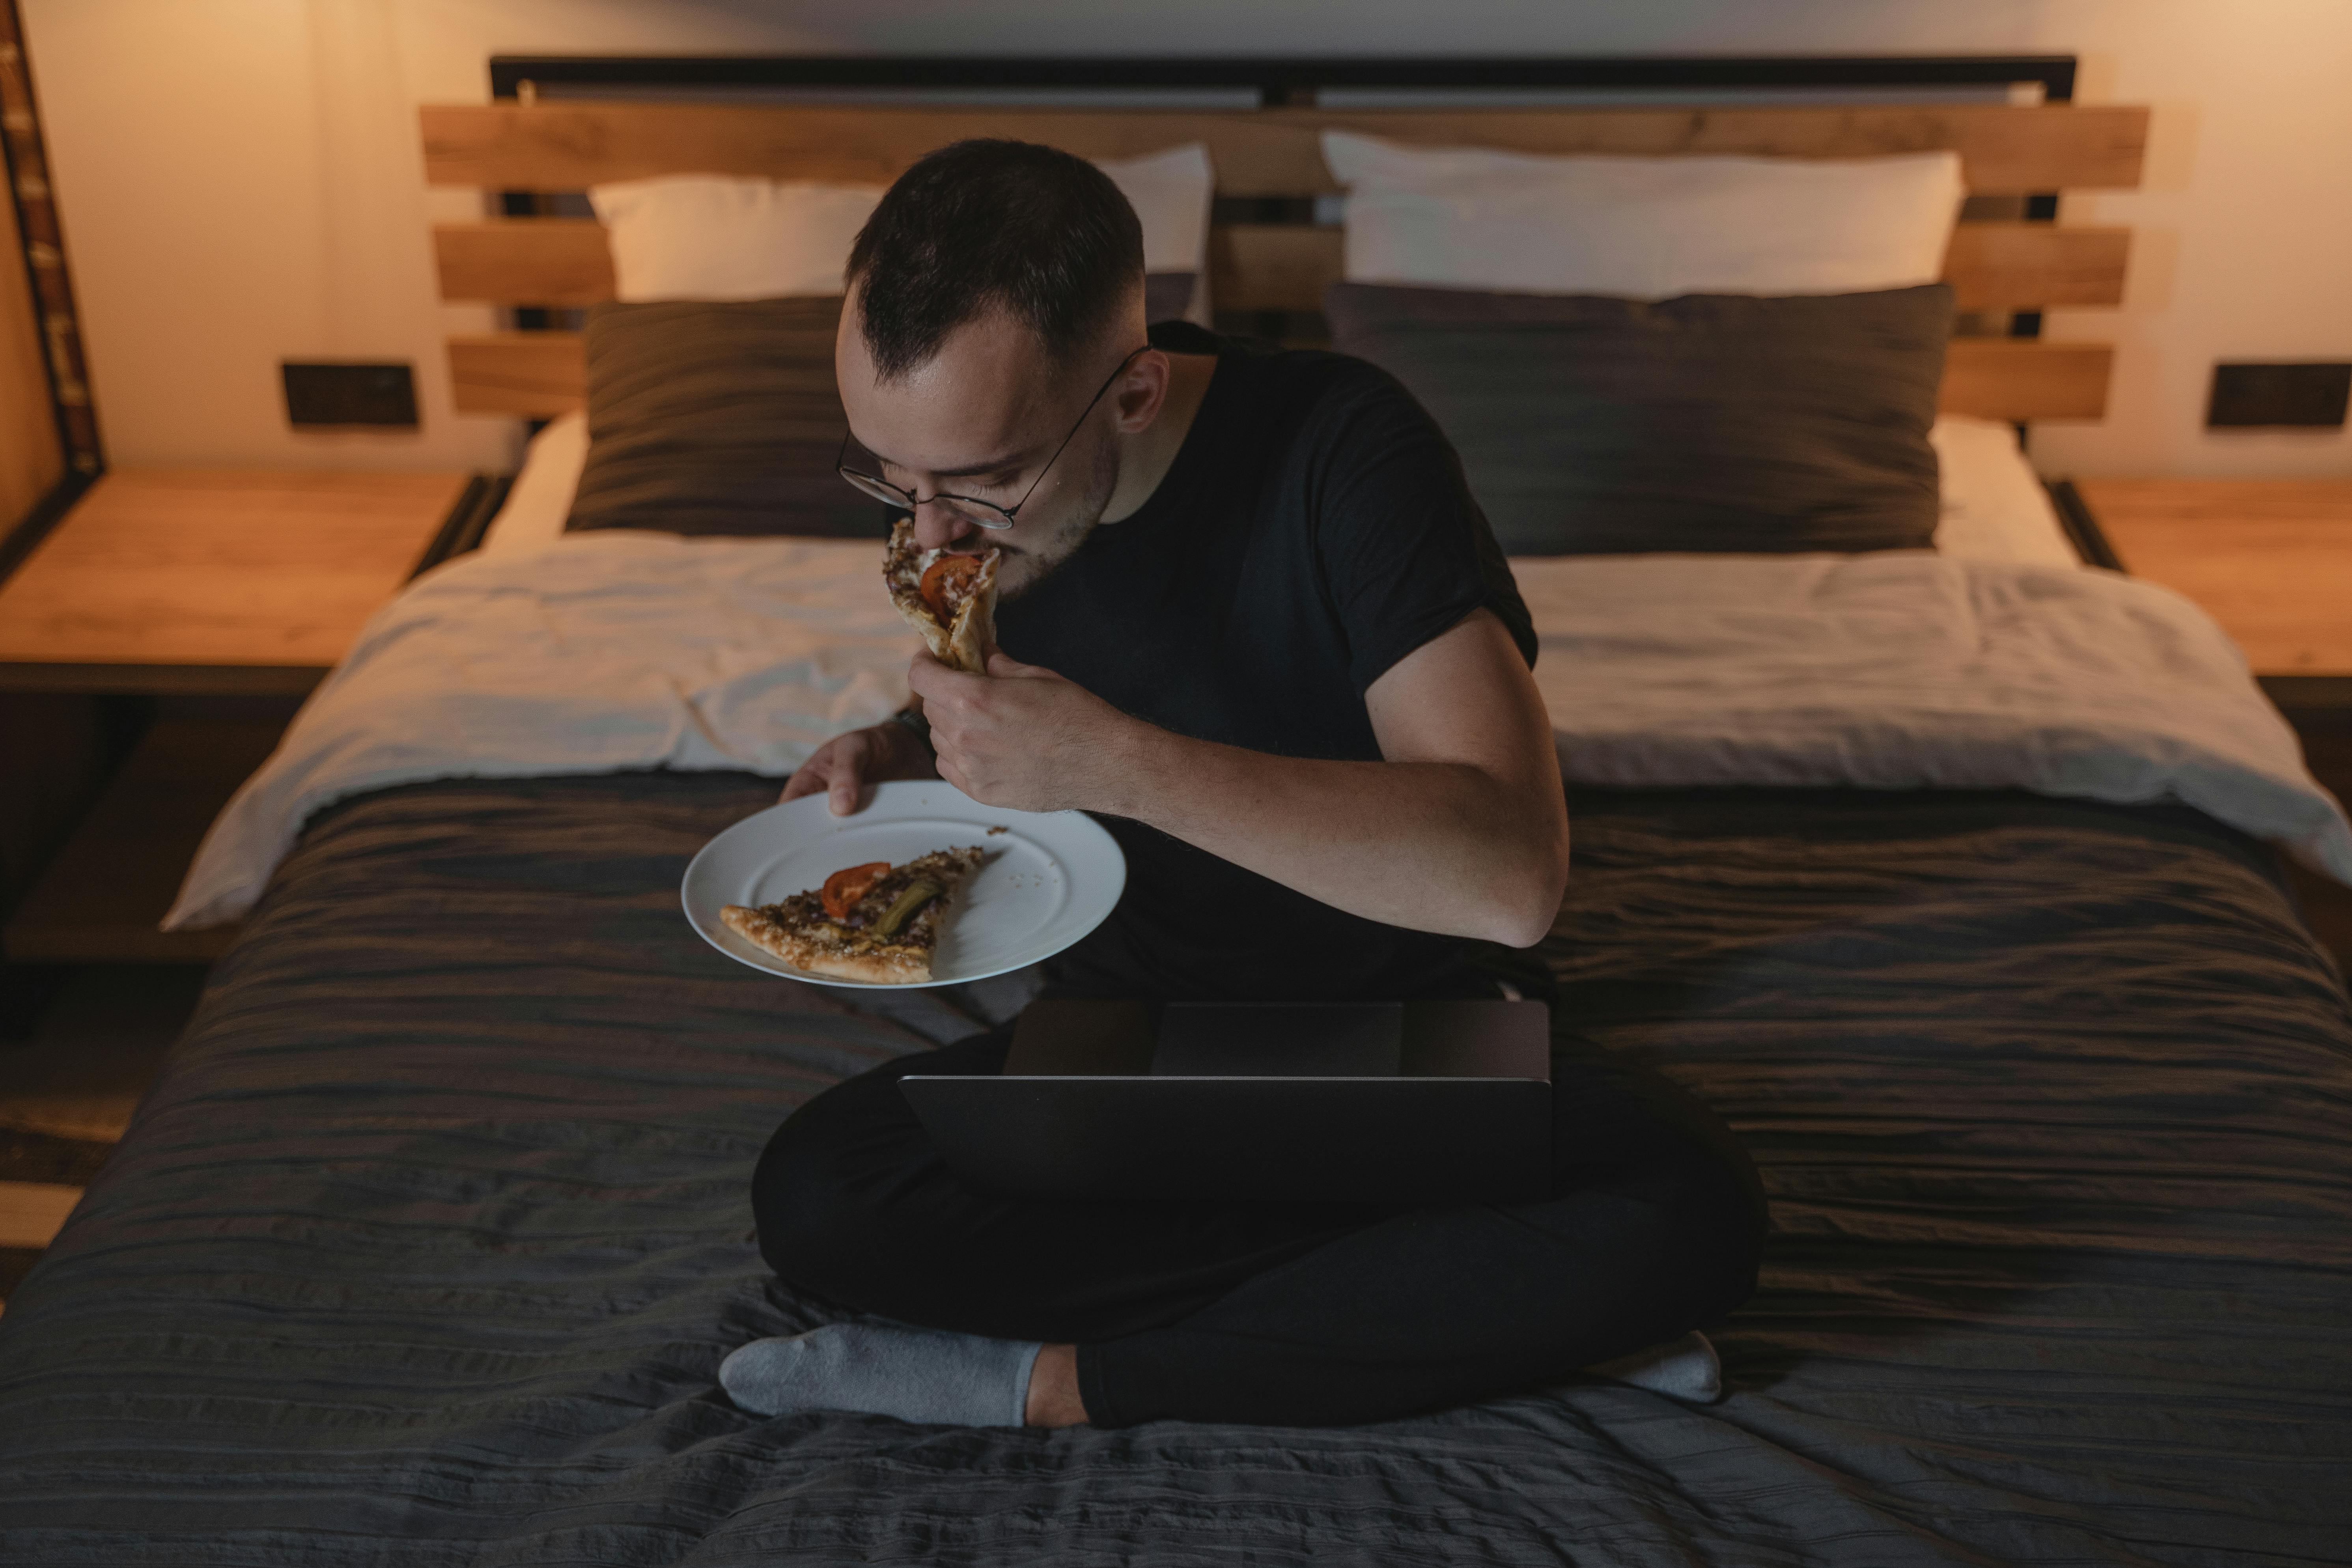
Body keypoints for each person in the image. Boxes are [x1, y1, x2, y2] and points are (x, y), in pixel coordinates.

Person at [720, 140, 1766, 1430]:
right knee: (820, 1194)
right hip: (1124, 1046)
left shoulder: (1342, 449)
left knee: (1689, 1212)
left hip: (1398, 1034)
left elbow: (1510, 876)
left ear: (1136, 393)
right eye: (891, 476)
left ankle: (1057, 1384)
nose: (928, 536)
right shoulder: (974, 511)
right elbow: (1036, 693)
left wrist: (1118, 763)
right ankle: (1453, 1329)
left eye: (981, 483)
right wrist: (899, 745)